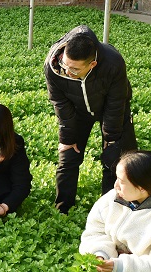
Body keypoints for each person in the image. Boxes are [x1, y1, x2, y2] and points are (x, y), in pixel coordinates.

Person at [45, 24, 138, 213]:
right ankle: (63, 209)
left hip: (109, 107)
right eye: (66, 64)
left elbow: (116, 102)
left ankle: (111, 207)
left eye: (75, 69)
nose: (67, 71)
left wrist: (111, 138)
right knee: (68, 156)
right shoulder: (53, 65)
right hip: (76, 109)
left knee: (116, 158)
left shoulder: (113, 62)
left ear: (92, 65)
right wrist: (68, 138)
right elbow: (60, 102)